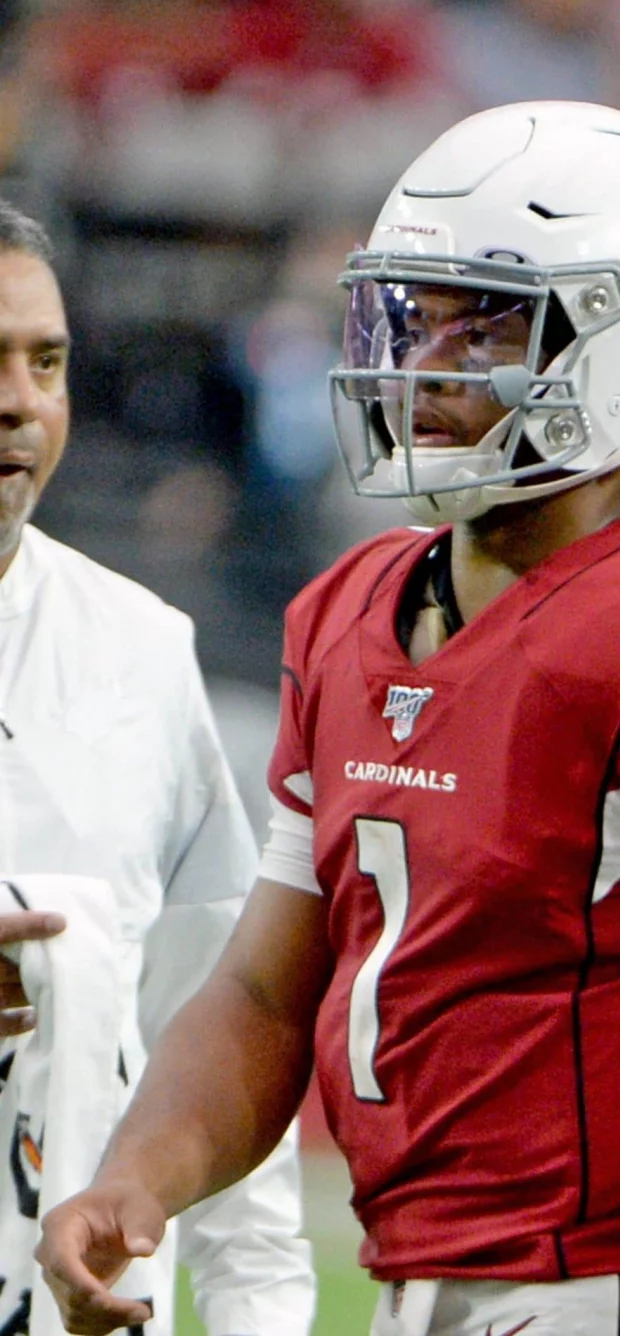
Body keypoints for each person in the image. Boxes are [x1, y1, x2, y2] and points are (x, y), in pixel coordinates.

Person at [36, 102, 620, 1336]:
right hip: (415, 1293)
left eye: (488, 323)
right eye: (418, 316)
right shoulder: (350, 611)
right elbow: (268, 998)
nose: (430, 366)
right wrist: (136, 1181)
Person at [0, 199, 314, 1333]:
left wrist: (258, 1315)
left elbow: (218, 1039)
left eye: (48, 362)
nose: (20, 402)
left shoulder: (140, 652)